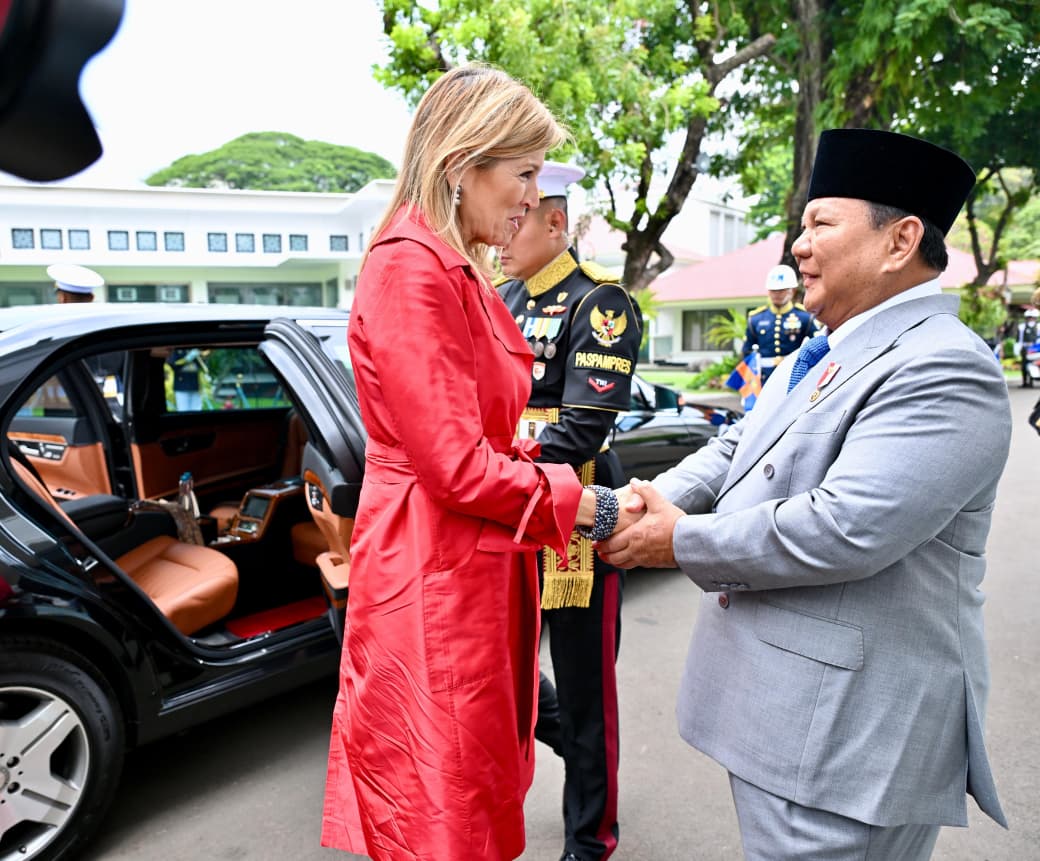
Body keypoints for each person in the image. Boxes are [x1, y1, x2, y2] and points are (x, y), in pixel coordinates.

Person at [597, 128, 1011, 860]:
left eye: (820, 222)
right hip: (787, 719)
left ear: (900, 240)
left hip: (847, 739)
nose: (796, 244)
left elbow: (845, 525)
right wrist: (644, 499)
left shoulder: (944, 365)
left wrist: (677, 540)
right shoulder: (825, 347)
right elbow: (736, 447)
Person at [321, 65, 610, 861]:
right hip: (434, 565)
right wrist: (589, 505)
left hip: (458, 558)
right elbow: (455, 465)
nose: (532, 197)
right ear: (461, 167)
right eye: (522, 174)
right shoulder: (413, 266)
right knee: (442, 808)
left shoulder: (449, 263)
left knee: (467, 790)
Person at [497, 161, 642, 861]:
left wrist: (490, 464)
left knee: (588, 692)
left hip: (576, 506)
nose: (503, 231)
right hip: (508, 506)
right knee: (508, 675)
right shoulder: (499, 296)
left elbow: (582, 427)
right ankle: (588, 771)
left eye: (517, 216)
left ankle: (590, 838)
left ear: (555, 222)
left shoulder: (600, 304)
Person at [742, 263, 822, 382]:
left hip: (794, 375)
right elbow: (747, 350)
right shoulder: (755, 319)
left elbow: (818, 346)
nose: (777, 294)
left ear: (792, 291)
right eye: (773, 291)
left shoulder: (805, 317)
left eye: (781, 291)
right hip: (764, 378)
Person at [1015, 307, 1038, 387]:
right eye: (1029, 317)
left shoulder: (1038, 327)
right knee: (1024, 365)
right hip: (1025, 348)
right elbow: (1019, 339)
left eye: (1032, 317)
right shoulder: (1022, 327)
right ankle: (1025, 382)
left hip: (1036, 349)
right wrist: (1018, 348)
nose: (1031, 319)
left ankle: (1034, 379)